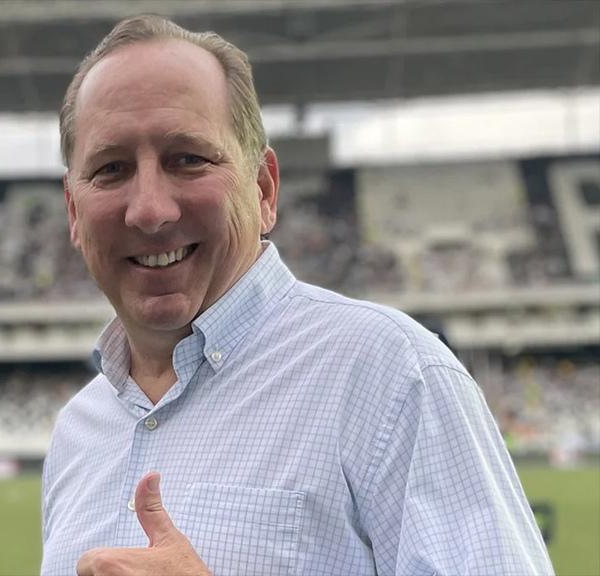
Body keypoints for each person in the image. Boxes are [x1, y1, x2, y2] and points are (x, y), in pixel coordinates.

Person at [40, 14, 553, 576]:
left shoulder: (391, 374)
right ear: (73, 210)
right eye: (111, 169)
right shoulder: (77, 429)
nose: (150, 209)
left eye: (188, 159)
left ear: (262, 188)